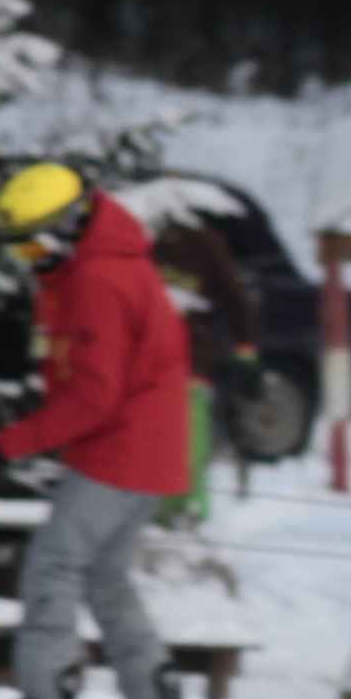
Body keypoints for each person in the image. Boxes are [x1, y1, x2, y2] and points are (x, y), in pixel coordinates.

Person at [0, 163, 193, 699]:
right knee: (104, 577)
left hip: (120, 450)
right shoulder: (98, 268)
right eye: (20, 252)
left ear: (69, 227)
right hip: (147, 450)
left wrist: (8, 444)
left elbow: (95, 396)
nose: (32, 262)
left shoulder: (99, 279)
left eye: (38, 245)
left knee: (53, 568)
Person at [148, 199, 261, 525]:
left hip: (190, 364)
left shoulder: (203, 242)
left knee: (188, 447)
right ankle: (152, 520)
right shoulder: (136, 237)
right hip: (142, 369)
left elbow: (239, 301)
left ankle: (188, 518)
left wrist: (246, 353)